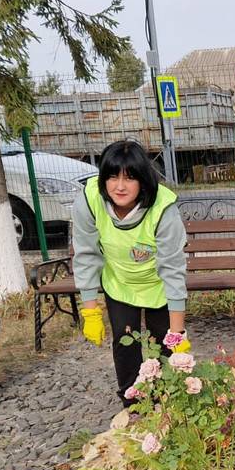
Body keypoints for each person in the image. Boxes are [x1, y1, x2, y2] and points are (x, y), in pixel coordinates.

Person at [72, 140, 188, 404]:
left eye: (130, 178)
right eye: (112, 177)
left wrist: (178, 333)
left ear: (143, 180)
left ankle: (172, 403)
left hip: (158, 285)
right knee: (125, 342)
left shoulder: (163, 208)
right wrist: (90, 310)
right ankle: (133, 404)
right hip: (120, 283)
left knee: (166, 346)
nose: (120, 186)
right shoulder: (89, 201)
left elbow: (173, 269)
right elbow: (86, 255)